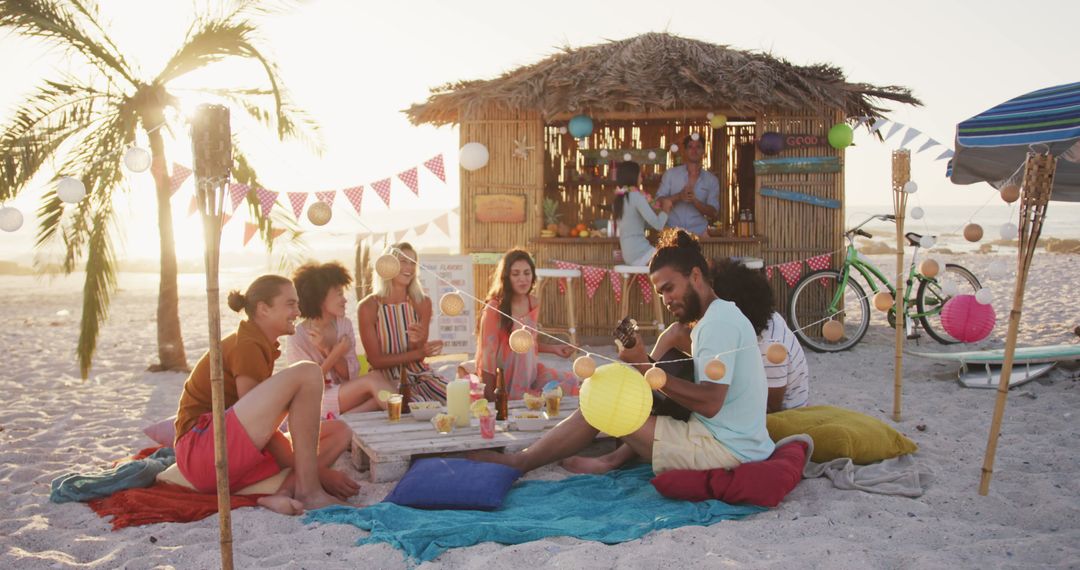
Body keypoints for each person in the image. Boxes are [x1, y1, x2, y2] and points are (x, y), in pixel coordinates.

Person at [472, 230, 774, 475]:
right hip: (724, 440)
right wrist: (648, 362)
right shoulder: (719, 316)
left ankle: (522, 462)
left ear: (696, 275)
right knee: (609, 390)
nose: (667, 300)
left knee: (603, 398)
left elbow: (710, 403)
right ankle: (537, 459)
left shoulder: (716, 324)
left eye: (670, 288)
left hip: (722, 450)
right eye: (661, 293)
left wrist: (644, 364)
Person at [173, 275, 357, 515]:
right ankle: (309, 490)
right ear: (263, 309)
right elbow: (263, 429)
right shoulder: (247, 344)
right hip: (204, 450)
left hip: (228, 448)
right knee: (309, 372)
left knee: (340, 431)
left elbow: (260, 428)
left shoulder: (259, 342)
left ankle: (283, 493)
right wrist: (321, 473)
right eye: (290, 304)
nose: (298, 312)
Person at [651, 258, 810, 413]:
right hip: (743, 378)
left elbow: (770, 407)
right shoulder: (748, 321)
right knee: (676, 333)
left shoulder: (769, 345)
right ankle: (640, 388)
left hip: (773, 416)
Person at [288, 261, 395, 418]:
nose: (345, 300)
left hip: (344, 392)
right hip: (316, 399)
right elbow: (306, 385)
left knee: (383, 393)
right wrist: (333, 353)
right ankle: (404, 419)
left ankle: (339, 421)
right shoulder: (298, 337)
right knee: (375, 381)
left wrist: (327, 349)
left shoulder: (344, 325)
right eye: (339, 294)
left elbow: (350, 375)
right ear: (319, 299)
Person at [475, 248, 578, 399]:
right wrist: (490, 396)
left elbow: (528, 343)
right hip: (504, 378)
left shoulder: (533, 302)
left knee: (572, 381)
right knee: (538, 397)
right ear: (506, 277)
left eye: (527, 273)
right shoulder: (494, 307)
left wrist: (553, 349)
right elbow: (487, 355)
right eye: (515, 274)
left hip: (530, 373)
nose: (522, 279)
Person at [357, 243, 447, 402]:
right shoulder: (368, 307)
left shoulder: (423, 302)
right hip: (385, 381)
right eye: (403, 261)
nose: (409, 267)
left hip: (419, 376)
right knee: (414, 407)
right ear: (387, 265)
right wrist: (419, 352)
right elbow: (376, 361)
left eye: (413, 263)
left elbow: (418, 358)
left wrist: (418, 343)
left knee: (456, 398)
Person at [655, 134, 720, 236]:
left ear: (703, 151)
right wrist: (679, 196)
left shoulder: (712, 180)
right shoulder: (671, 174)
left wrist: (695, 201)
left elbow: (714, 213)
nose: (694, 150)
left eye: (698, 147)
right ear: (684, 151)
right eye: (690, 147)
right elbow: (657, 203)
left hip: (699, 234)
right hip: (672, 234)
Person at [614, 160, 673, 266]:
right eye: (640, 174)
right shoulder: (637, 196)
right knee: (675, 261)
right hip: (640, 252)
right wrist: (666, 210)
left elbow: (637, 223)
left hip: (628, 253)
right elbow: (658, 225)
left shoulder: (620, 198)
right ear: (633, 176)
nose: (641, 177)